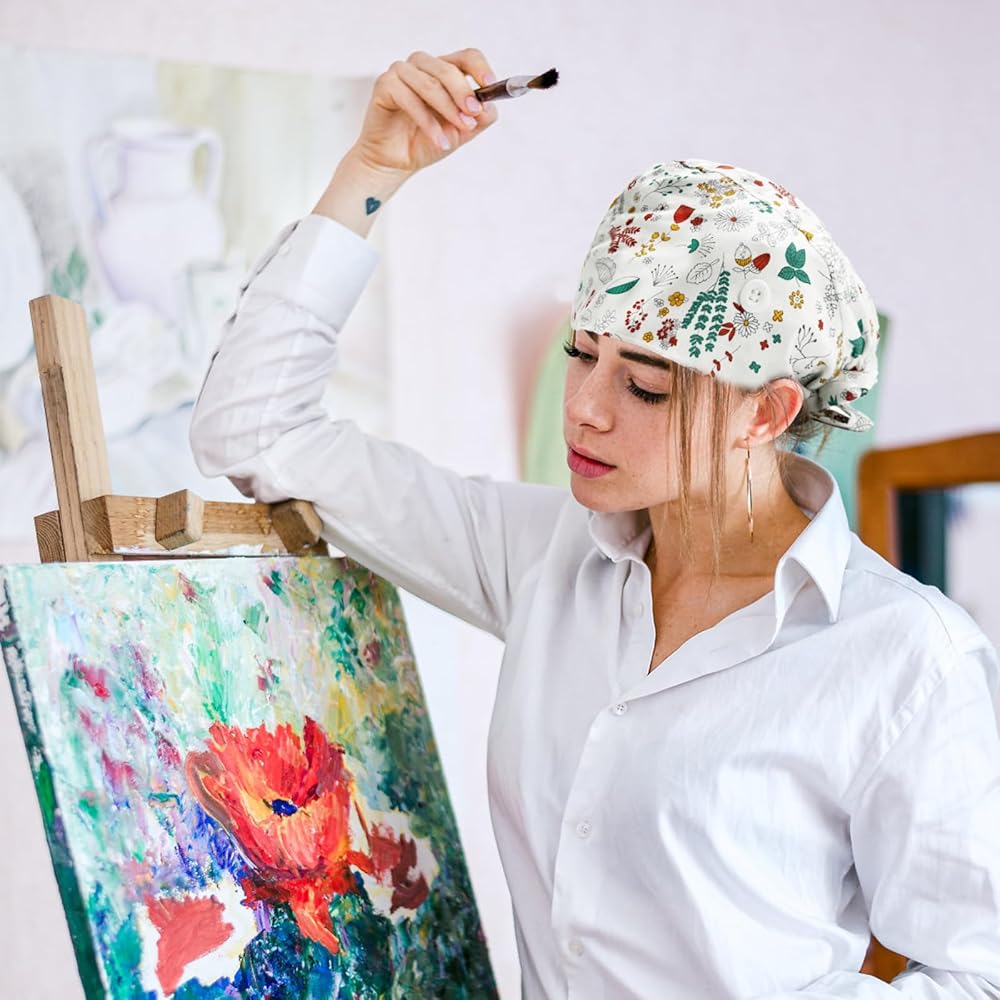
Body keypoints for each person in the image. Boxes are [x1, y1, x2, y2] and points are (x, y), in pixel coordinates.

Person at [189, 47, 1000, 999]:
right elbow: (256, 428)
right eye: (583, 354)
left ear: (766, 413)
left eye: (643, 386)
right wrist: (373, 171)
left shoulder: (904, 655)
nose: (585, 408)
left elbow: (975, 975)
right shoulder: (543, 556)